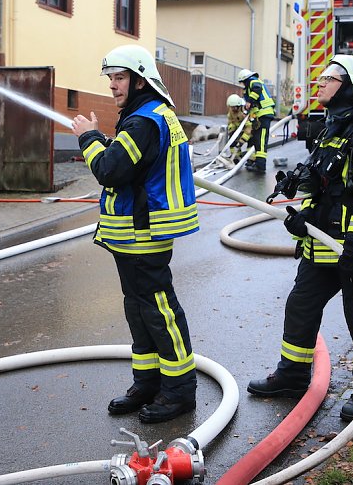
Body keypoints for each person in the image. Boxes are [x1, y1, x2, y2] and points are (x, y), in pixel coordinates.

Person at [247, 55, 353, 422]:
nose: (321, 83)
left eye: (330, 77)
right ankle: (293, 376)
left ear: (352, 87)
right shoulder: (331, 131)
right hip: (322, 247)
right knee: (300, 307)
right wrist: (305, 218)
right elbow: (324, 188)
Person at [70, 44, 199, 424]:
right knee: (140, 310)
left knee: (159, 311)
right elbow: (132, 164)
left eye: (120, 77)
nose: (112, 85)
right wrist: (102, 140)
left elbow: (110, 171)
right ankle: (147, 383)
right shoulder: (151, 114)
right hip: (136, 233)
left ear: (141, 80)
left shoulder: (143, 121)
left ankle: (179, 392)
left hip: (144, 233)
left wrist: (88, 138)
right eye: (111, 78)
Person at [237, 69, 275, 174]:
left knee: (261, 140)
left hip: (264, 114)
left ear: (245, 79)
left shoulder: (253, 80)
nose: (242, 84)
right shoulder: (249, 86)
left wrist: (249, 101)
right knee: (256, 139)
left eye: (242, 82)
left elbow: (257, 88)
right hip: (259, 116)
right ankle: (254, 161)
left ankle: (261, 165)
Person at [225, 94, 252, 164]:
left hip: (249, 131)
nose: (232, 109)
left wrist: (242, 141)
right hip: (239, 131)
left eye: (234, 107)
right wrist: (231, 132)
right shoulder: (231, 112)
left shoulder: (244, 112)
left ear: (238, 106)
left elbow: (249, 128)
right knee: (232, 143)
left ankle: (251, 160)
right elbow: (231, 122)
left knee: (250, 146)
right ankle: (236, 158)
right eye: (231, 107)